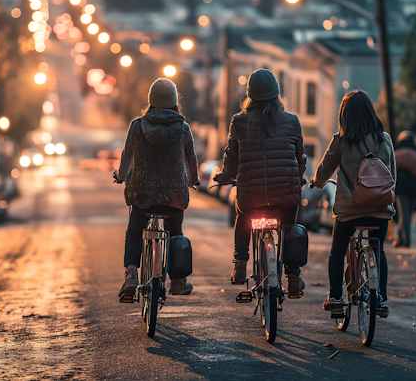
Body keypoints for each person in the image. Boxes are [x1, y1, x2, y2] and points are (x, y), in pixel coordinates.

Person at [214, 69, 307, 298]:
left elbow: (232, 159)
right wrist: (299, 177)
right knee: (290, 227)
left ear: (250, 96)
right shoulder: (292, 121)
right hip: (286, 195)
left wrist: (225, 178)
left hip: (252, 198)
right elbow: (300, 158)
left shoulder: (239, 122)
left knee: (242, 214)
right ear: (277, 94)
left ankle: (240, 263)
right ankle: (293, 276)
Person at [310, 90, 395, 318]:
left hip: (350, 212)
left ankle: (336, 298)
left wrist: (316, 182)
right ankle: (383, 300)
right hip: (380, 211)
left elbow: (324, 170)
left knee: (337, 252)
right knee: (379, 250)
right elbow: (392, 175)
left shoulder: (341, 141)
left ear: (344, 115)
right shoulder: (384, 139)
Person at [113, 78, 200, 300]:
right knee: (175, 232)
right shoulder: (182, 129)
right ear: (174, 102)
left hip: (143, 196)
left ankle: (132, 275)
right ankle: (178, 281)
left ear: (151, 100)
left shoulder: (137, 126)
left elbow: (126, 158)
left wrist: (121, 176)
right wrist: (194, 180)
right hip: (174, 197)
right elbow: (191, 159)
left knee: (134, 231)